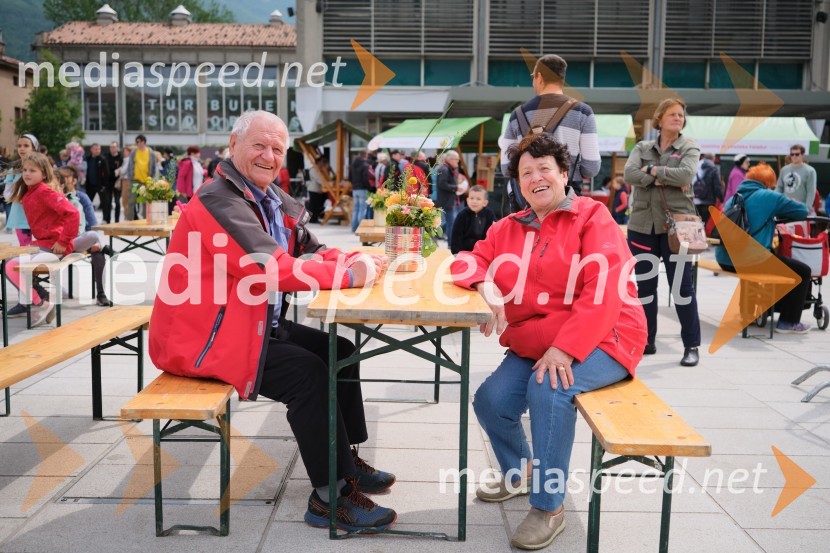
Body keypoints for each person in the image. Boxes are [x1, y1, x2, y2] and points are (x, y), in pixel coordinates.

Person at [149, 110, 397, 531]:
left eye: (277, 149)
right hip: (205, 339)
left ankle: (345, 460)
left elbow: (310, 250)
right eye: (259, 145)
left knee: (341, 351)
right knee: (309, 374)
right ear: (234, 144)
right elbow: (270, 266)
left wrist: (353, 259)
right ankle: (329, 497)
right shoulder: (217, 199)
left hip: (250, 323)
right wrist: (348, 276)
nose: (269, 155)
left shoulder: (269, 197)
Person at [451, 134, 646, 551]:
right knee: (491, 400)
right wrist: (483, 282)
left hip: (606, 335)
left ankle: (549, 506)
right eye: (526, 172)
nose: (535, 177)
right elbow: (467, 259)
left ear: (563, 174)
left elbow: (604, 291)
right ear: (518, 183)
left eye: (544, 169)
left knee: (550, 387)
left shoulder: (593, 217)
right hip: (539, 339)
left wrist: (566, 348)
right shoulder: (509, 227)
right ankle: (519, 471)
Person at [624, 98, 702, 366]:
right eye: (672, 114)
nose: (678, 118)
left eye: (681, 114)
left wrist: (652, 171)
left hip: (678, 229)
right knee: (645, 288)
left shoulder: (689, 147)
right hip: (642, 228)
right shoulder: (643, 146)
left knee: (682, 289)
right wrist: (660, 175)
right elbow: (629, 174)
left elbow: (685, 176)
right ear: (659, 119)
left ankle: (692, 345)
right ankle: (647, 340)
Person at [715, 162, 812, 333]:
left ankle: (748, 315)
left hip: (724, 259)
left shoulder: (734, 197)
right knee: (803, 271)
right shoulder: (769, 196)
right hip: (750, 260)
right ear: (768, 184)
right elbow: (802, 211)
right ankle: (788, 322)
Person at [499, 54, 600, 209]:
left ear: (539, 77)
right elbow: (592, 167)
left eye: (533, 76)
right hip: (567, 198)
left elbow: (507, 168)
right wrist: (566, 170)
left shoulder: (517, 115)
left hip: (529, 199)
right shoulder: (583, 112)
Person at [4, 153, 80, 326]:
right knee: (9, 263)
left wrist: (63, 241)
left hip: (54, 247)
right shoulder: (30, 192)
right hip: (43, 244)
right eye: (25, 170)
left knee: (11, 266)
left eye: (32, 170)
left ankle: (41, 303)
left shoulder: (44, 191)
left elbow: (73, 213)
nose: (27, 174)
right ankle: (41, 299)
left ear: (44, 174)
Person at [56, 166, 113, 306]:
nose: (61, 181)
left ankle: (100, 293)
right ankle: (102, 247)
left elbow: (92, 224)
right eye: (59, 178)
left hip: (82, 239)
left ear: (74, 180)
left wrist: (90, 241)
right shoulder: (54, 198)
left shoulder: (82, 198)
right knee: (97, 247)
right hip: (62, 242)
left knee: (97, 251)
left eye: (65, 177)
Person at [2, 135, 38, 246]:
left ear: (34, 148)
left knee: (41, 251)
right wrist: (19, 196)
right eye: (19, 146)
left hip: (39, 216)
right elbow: (7, 193)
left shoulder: (41, 168)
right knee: (25, 250)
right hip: (20, 215)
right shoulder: (14, 170)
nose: (22, 148)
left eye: (26, 145)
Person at [450, 184, 496, 255]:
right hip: (464, 253)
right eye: (471, 198)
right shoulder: (462, 215)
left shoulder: (489, 215)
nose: (474, 201)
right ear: (467, 200)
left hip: (483, 254)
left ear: (485, 202)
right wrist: (457, 253)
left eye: (478, 199)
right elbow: (456, 236)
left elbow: (492, 235)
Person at [776, 144, 817, 214]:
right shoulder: (784, 170)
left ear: (802, 155)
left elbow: (811, 192)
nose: (794, 156)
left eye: (797, 154)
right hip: (785, 207)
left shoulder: (810, 171)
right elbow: (779, 188)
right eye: (792, 154)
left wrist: (807, 208)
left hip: (801, 209)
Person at [124, 135, 157, 220]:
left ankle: (146, 219)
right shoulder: (134, 152)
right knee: (131, 200)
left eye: (139, 141)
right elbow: (130, 165)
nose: (138, 143)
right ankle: (129, 219)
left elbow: (153, 167)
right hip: (135, 180)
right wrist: (129, 178)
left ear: (143, 142)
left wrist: (152, 180)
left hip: (146, 181)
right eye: (137, 142)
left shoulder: (150, 152)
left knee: (145, 202)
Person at [436, 151, 463, 240]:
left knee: (449, 222)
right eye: (457, 159)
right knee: (450, 223)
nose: (458, 162)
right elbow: (442, 184)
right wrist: (456, 187)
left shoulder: (448, 169)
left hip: (448, 201)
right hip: (446, 201)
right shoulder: (445, 169)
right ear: (451, 160)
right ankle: (450, 243)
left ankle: (449, 241)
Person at [693, 152, 724, 227]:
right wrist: (721, 199)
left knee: (696, 222)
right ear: (713, 159)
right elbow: (717, 186)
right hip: (708, 201)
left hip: (694, 199)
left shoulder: (695, 166)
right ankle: (702, 237)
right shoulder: (713, 168)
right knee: (704, 222)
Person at [349, 151, 371, 232]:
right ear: (366, 155)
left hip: (355, 189)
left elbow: (350, 177)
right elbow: (365, 179)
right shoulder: (365, 165)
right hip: (362, 188)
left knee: (356, 209)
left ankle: (354, 228)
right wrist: (368, 187)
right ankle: (360, 228)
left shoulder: (353, 165)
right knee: (362, 209)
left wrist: (354, 184)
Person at [305, 159, 327, 224]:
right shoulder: (314, 170)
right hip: (313, 189)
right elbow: (318, 179)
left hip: (317, 190)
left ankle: (315, 218)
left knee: (316, 205)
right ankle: (313, 219)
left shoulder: (319, 169)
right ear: (318, 162)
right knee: (313, 205)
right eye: (321, 162)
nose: (322, 164)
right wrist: (325, 184)